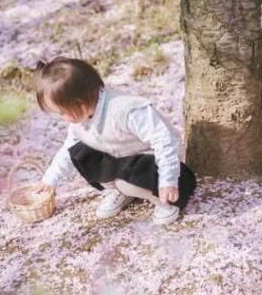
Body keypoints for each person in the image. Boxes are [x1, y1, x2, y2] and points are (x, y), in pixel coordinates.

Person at [33, 57, 196, 226]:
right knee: (78, 149)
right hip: (124, 161)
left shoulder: (127, 110)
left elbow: (164, 141)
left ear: (80, 104)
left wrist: (168, 180)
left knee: (124, 183)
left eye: (61, 113)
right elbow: (68, 148)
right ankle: (118, 191)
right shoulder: (82, 119)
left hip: (159, 169)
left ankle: (163, 201)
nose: (62, 118)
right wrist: (50, 179)